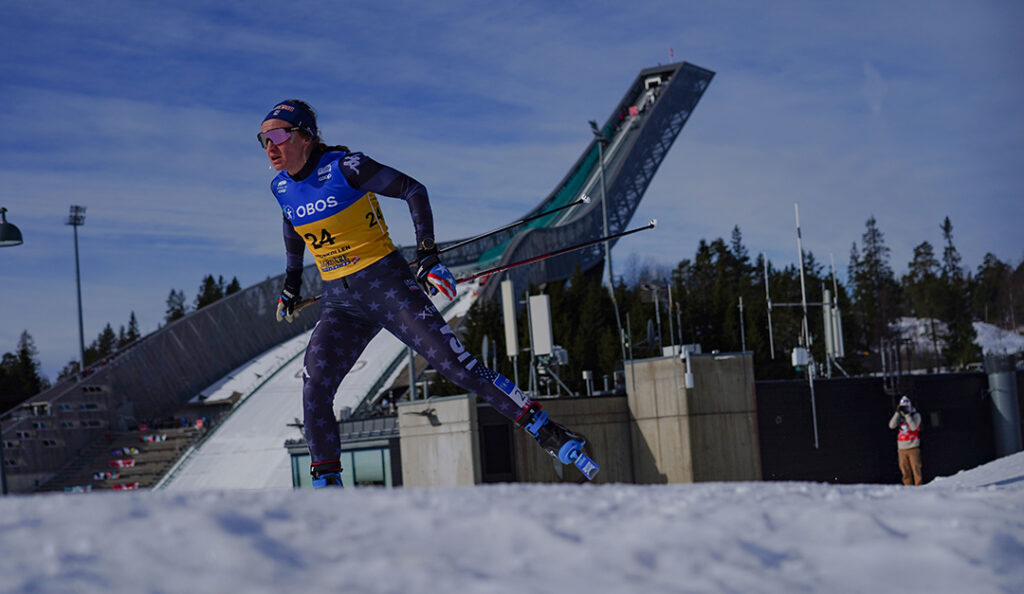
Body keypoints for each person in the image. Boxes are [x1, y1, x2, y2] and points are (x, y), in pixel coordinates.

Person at [259, 100, 590, 488]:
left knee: (456, 366)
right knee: (314, 384)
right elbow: (291, 225)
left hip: (386, 285)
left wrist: (428, 255)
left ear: (306, 136)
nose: (270, 146)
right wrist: (291, 284)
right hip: (340, 303)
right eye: (263, 139)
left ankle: (548, 431)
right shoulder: (280, 187)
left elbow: (413, 190)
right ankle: (327, 488)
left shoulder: (345, 167)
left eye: (279, 135)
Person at [888, 395, 923, 486]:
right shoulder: (899, 416)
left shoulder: (916, 415)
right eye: (903, 407)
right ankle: (908, 488)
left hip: (913, 447)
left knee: (916, 470)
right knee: (905, 471)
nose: (905, 408)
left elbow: (914, 427)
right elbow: (891, 426)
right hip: (902, 448)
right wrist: (897, 413)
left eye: (906, 406)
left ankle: (919, 487)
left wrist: (907, 415)